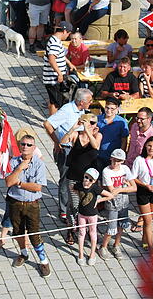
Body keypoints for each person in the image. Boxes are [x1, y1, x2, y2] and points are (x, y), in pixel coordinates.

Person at [43, 89, 94, 221]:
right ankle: (63, 210)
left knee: (76, 179)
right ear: (82, 102)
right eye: (89, 101)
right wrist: (56, 142)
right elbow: (47, 124)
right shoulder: (67, 110)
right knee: (65, 180)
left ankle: (75, 206)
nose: (91, 103)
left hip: (77, 149)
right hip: (66, 150)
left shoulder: (81, 110)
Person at [4, 134, 51, 278]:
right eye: (23, 144)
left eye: (29, 145)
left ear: (34, 148)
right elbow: (8, 182)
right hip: (15, 202)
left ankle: (44, 261)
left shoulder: (39, 164)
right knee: (18, 232)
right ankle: (23, 254)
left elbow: (37, 187)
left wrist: (19, 183)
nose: (25, 147)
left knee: (34, 234)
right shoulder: (13, 162)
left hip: (32, 204)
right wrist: (19, 169)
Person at [61, 113, 101, 244]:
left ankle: (85, 229)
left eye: (95, 123)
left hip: (89, 179)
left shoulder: (97, 136)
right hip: (74, 176)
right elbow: (62, 142)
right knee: (74, 204)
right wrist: (74, 128)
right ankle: (71, 230)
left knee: (86, 204)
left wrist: (89, 132)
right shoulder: (76, 135)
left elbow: (95, 146)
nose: (94, 125)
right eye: (92, 122)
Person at [130, 136, 153, 254]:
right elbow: (133, 177)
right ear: (145, 146)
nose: (151, 148)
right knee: (148, 221)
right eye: (149, 146)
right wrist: (146, 185)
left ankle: (144, 240)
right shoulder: (139, 160)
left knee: (149, 218)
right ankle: (151, 248)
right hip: (143, 191)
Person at [98, 149, 135, 261]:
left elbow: (134, 187)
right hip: (113, 204)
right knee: (111, 227)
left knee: (122, 225)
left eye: (118, 161)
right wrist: (123, 187)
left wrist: (120, 189)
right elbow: (112, 191)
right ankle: (103, 246)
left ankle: (116, 245)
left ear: (122, 161)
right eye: (114, 160)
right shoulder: (106, 171)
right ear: (111, 159)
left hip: (124, 202)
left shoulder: (125, 169)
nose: (115, 163)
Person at [74, 168, 112, 266]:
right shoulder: (79, 185)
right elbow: (73, 188)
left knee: (92, 233)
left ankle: (92, 255)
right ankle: (81, 254)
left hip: (92, 215)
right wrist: (78, 195)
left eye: (90, 179)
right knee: (81, 232)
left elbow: (110, 195)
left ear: (94, 181)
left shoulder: (95, 188)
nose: (87, 180)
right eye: (86, 177)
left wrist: (99, 200)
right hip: (81, 214)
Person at [43, 22, 74, 116]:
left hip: (52, 77)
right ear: (64, 31)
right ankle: (52, 124)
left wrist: (69, 63)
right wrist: (59, 73)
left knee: (54, 100)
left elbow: (59, 55)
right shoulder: (55, 43)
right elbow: (52, 59)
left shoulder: (54, 40)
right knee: (55, 103)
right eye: (68, 33)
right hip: (53, 78)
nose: (68, 36)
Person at [96, 98, 129, 171]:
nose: (109, 111)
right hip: (99, 155)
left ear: (117, 109)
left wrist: (120, 155)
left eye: (112, 109)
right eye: (107, 108)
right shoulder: (98, 119)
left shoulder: (121, 122)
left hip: (114, 157)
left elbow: (124, 140)